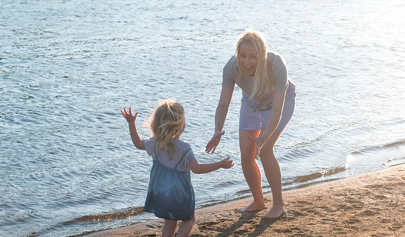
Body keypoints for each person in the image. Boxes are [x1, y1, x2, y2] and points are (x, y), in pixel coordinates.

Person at [205, 29, 296, 219]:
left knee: (266, 149)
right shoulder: (231, 68)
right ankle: (258, 201)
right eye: (242, 56)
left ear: (261, 55)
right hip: (252, 100)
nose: (247, 62)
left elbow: (278, 109)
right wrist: (217, 130)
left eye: (253, 56)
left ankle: (278, 205)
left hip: (279, 102)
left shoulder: (276, 64)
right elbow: (223, 103)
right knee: (246, 153)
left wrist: (263, 138)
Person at [121, 99, 234, 237]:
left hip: (160, 192)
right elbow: (197, 169)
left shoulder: (154, 143)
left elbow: (138, 143)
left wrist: (132, 123)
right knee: (189, 220)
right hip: (178, 194)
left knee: (169, 223)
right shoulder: (184, 148)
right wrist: (220, 164)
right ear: (180, 125)